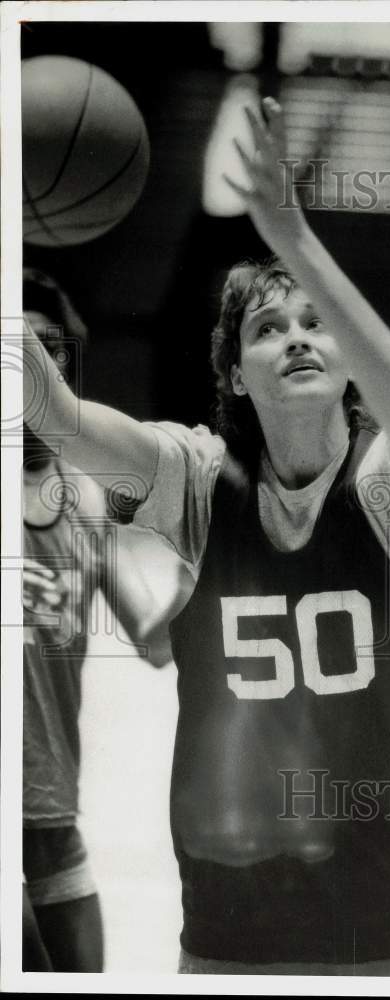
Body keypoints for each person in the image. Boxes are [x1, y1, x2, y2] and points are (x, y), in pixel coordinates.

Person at [23, 99, 390, 976]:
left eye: (315, 323)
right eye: (266, 329)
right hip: (239, 936)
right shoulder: (202, 482)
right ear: (235, 374)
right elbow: (56, 414)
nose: (296, 339)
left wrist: (296, 242)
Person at [21, 269, 184, 971]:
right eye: (17, 342)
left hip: (51, 805)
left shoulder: (85, 497)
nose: (32, 358)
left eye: (48, 345)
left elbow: (152, 640)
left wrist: (203, 567)